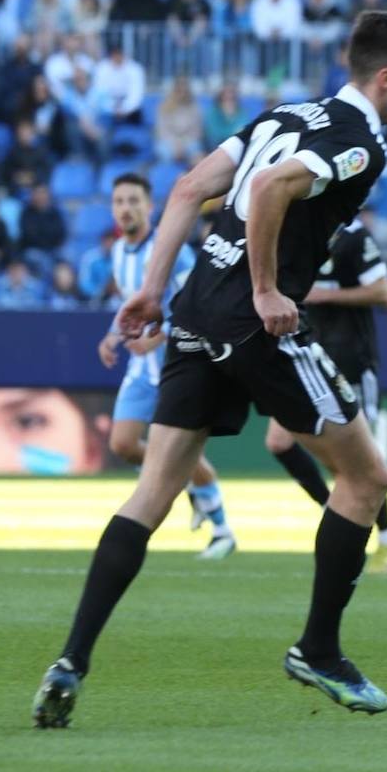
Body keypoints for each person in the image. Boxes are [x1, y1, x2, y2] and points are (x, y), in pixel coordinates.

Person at [32, 12, 387, 728]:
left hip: (193, 309)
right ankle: (319, 649)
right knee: (367, 479)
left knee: (151, 494)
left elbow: (191, 185)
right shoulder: (358, 143)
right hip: (258, 323)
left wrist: (153, 289)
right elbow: (270, 190)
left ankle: (71, 661)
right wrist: (263, 289)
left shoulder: (287, 113)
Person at [98, 173, 235, 560]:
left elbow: (198, 306)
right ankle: (190, 485)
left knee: (176, 456)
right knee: (123, 444)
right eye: (119, 201)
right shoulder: (118, 253)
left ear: (149, 206)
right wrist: (112, 336)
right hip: (142, 371)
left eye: (133, 201)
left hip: (179, 365)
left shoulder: (172, 250)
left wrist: (156, 338)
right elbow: (131, 302)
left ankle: (222, 530)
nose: (125, 208)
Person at [267, 217, 387, 574]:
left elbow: (381, 291)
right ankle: (339, 513)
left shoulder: (354, 236)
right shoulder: (298, 230)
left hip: (351, 359)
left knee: (360, 460)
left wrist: (323, 294)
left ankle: (386, 539)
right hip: (307, 356)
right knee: (279, 441)